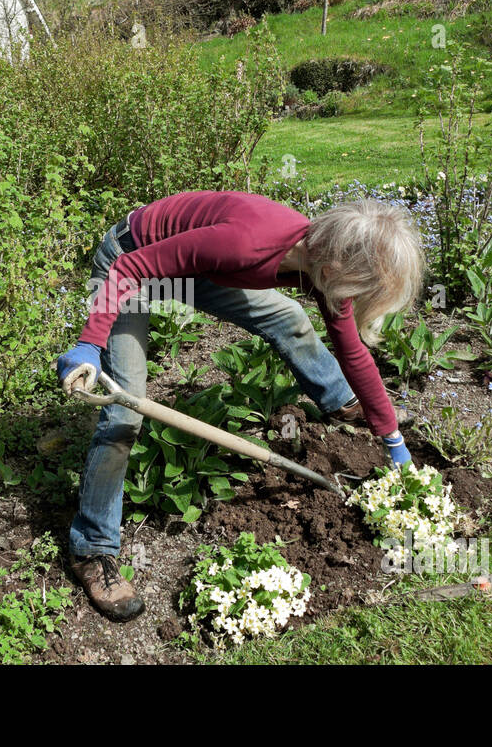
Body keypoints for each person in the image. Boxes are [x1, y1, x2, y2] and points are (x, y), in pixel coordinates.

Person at [56, 191, 426, 621]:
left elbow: (353, 351)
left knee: (289, 318)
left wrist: (392, 437)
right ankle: (92, 549)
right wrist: (89, 343)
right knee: (125, 412)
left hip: (193, 267)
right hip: (131, 260)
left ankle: (339, 401)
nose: (354, 301)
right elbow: (131, 269)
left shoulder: (322, 257)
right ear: (334, 268)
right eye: (359, 291)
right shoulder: (248, 243)